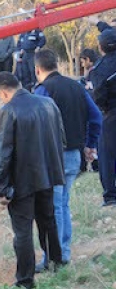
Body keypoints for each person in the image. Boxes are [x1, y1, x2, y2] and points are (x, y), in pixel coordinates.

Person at [0, 72, 65, 289]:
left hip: (21, 180)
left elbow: (4, 153)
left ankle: (25, 280)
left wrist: (1, 188)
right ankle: (55, 263)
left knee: (23, 231)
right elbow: (61, 137)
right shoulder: (48, 104)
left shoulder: (8, 110)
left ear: (4, 92)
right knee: (47, 220)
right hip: (48, 174)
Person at [33, 49, 102, 270]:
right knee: (63, 204)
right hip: (74, 154)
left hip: (52, 156)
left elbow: (36, 125)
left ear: (37, 70)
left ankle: (55, 258)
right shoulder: (77, 86)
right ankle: (63, 252)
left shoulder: (43, 90)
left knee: (53, 207)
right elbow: (96, 117)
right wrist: (90, 144)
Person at [88, 26, 116, 206]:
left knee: (107, 154)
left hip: (111, 114)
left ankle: (111, 195)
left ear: (101, 47)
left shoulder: (98, 69)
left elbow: (98, 95)